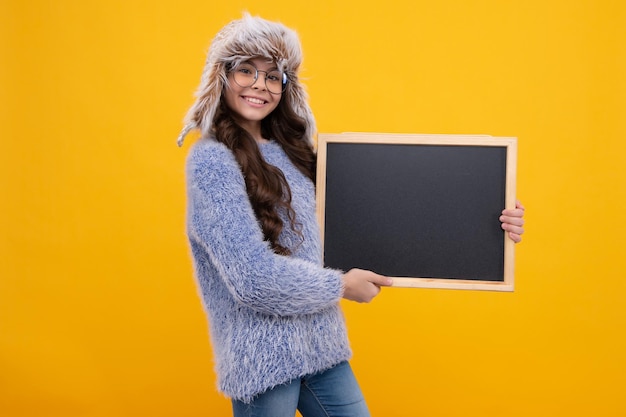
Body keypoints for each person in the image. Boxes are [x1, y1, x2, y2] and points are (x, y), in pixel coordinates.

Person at [177, 13, 525, 417]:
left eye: (273, 76)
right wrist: (341, 286)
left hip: (321, 346)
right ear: (222, 75)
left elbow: (382, 213)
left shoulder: (296, 151)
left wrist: (486, 223)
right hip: (264, 356)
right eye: (246, 71)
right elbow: (251, 279)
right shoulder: (211, 162)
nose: (260, 85)